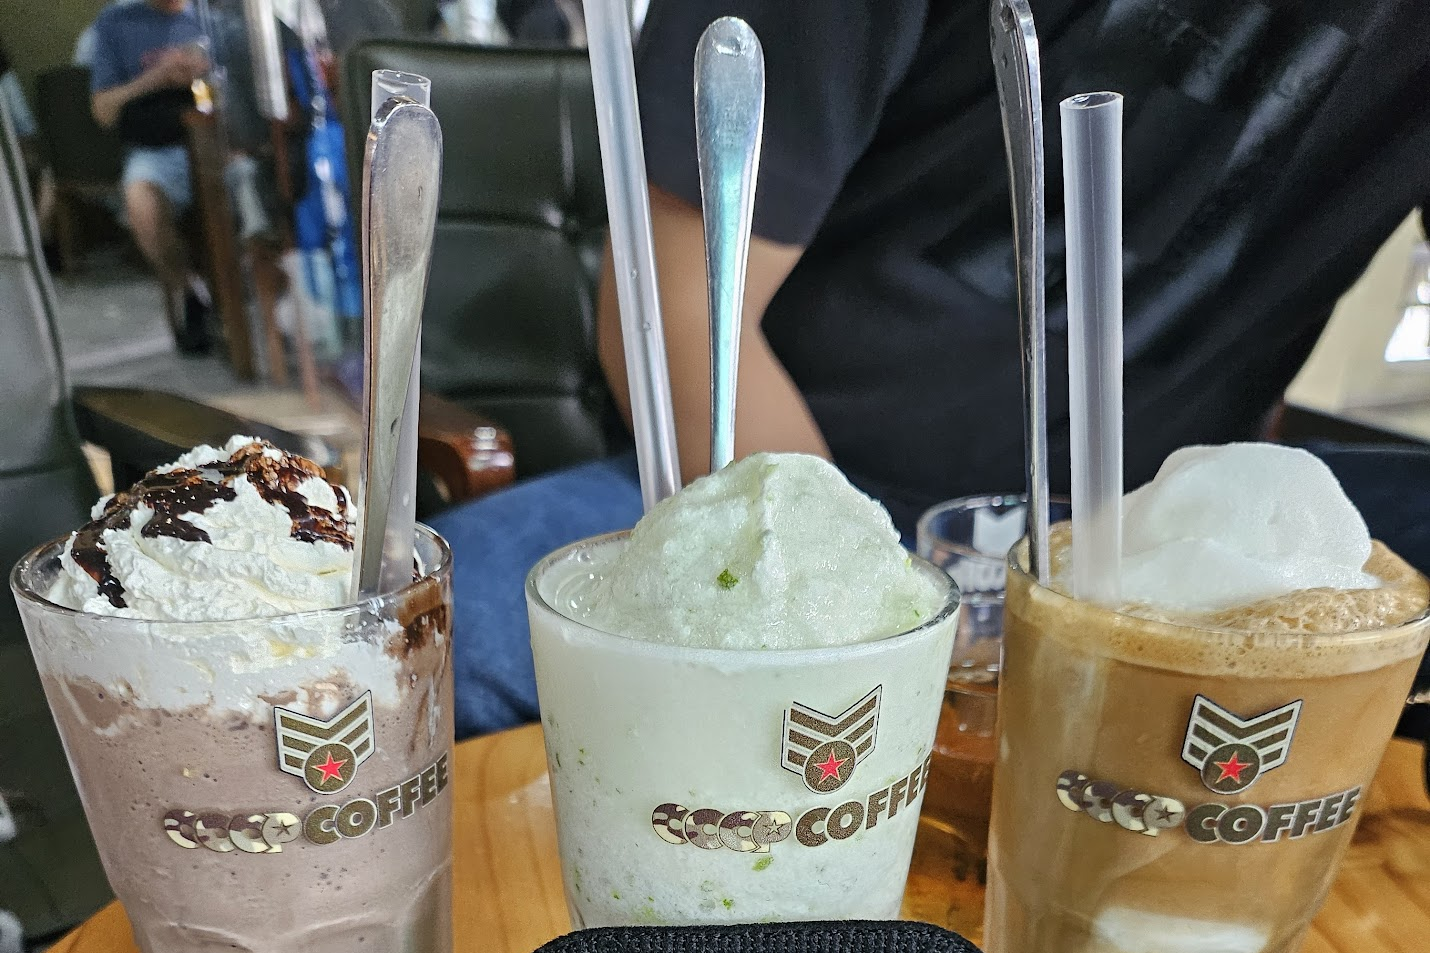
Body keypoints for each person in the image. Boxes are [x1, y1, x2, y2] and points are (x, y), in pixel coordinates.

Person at [436, 0, 1430, 736]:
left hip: (1163, 530)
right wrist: (869, 604)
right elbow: (676, 302)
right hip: (794, 485)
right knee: (421, 652)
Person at [87, 0, 212, 352]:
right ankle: (191, 291)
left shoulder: (211, 14)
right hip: (154, 150)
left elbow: (211, 102)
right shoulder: (116, 22)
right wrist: (156, 78)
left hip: (215, 141)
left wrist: (199, 80)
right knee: (140, 201)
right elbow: (103, 111)